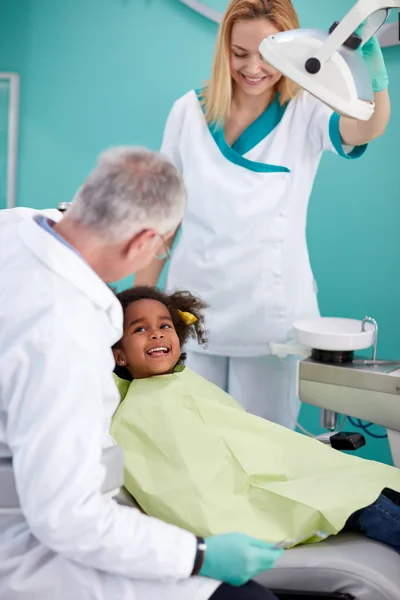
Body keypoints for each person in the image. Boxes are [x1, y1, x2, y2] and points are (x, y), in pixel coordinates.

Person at [0, 147, 283, 600]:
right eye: (160, 245)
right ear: (139, 244)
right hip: (27, 551)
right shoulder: (62, 335)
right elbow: (67, 519)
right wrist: (198, 555)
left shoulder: (14, 226)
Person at [133, 0, 391, 428]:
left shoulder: (307, 109)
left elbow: (366, 128)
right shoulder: (188, 111)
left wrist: (375, 80)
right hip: (191, 315)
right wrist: (140, 310)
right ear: (224, 50)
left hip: (272, 322)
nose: (253, 67)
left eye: (267, 53)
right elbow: (163, 219)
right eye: (240, 54)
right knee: (192, 444)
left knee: (266, 455)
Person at [111, 285, 400, 553]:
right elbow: (183, 489)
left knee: (368, 482)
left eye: (165, 325)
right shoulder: (135, 414)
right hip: (246, 506)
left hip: (278, 480)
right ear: (119, 356)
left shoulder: (187, 384)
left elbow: (245, 437)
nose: (157, 334)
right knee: (367, 503)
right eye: (140, 329)